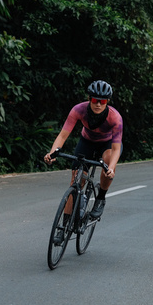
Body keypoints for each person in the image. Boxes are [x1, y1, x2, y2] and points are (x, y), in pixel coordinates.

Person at [45, 80, 123, 227]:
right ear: (89, 99)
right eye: (94, 100)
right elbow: (62, 136)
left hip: (107, 145)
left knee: (107, 161)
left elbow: (117, 149)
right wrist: (52, 154)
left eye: (102, 101)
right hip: (86, 142)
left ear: (107, 101)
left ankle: (100, 198)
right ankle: (64, 226)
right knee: (76, 180)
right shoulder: (78, 110)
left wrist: (111, 168)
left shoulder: (115, 117)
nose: (98, 104)